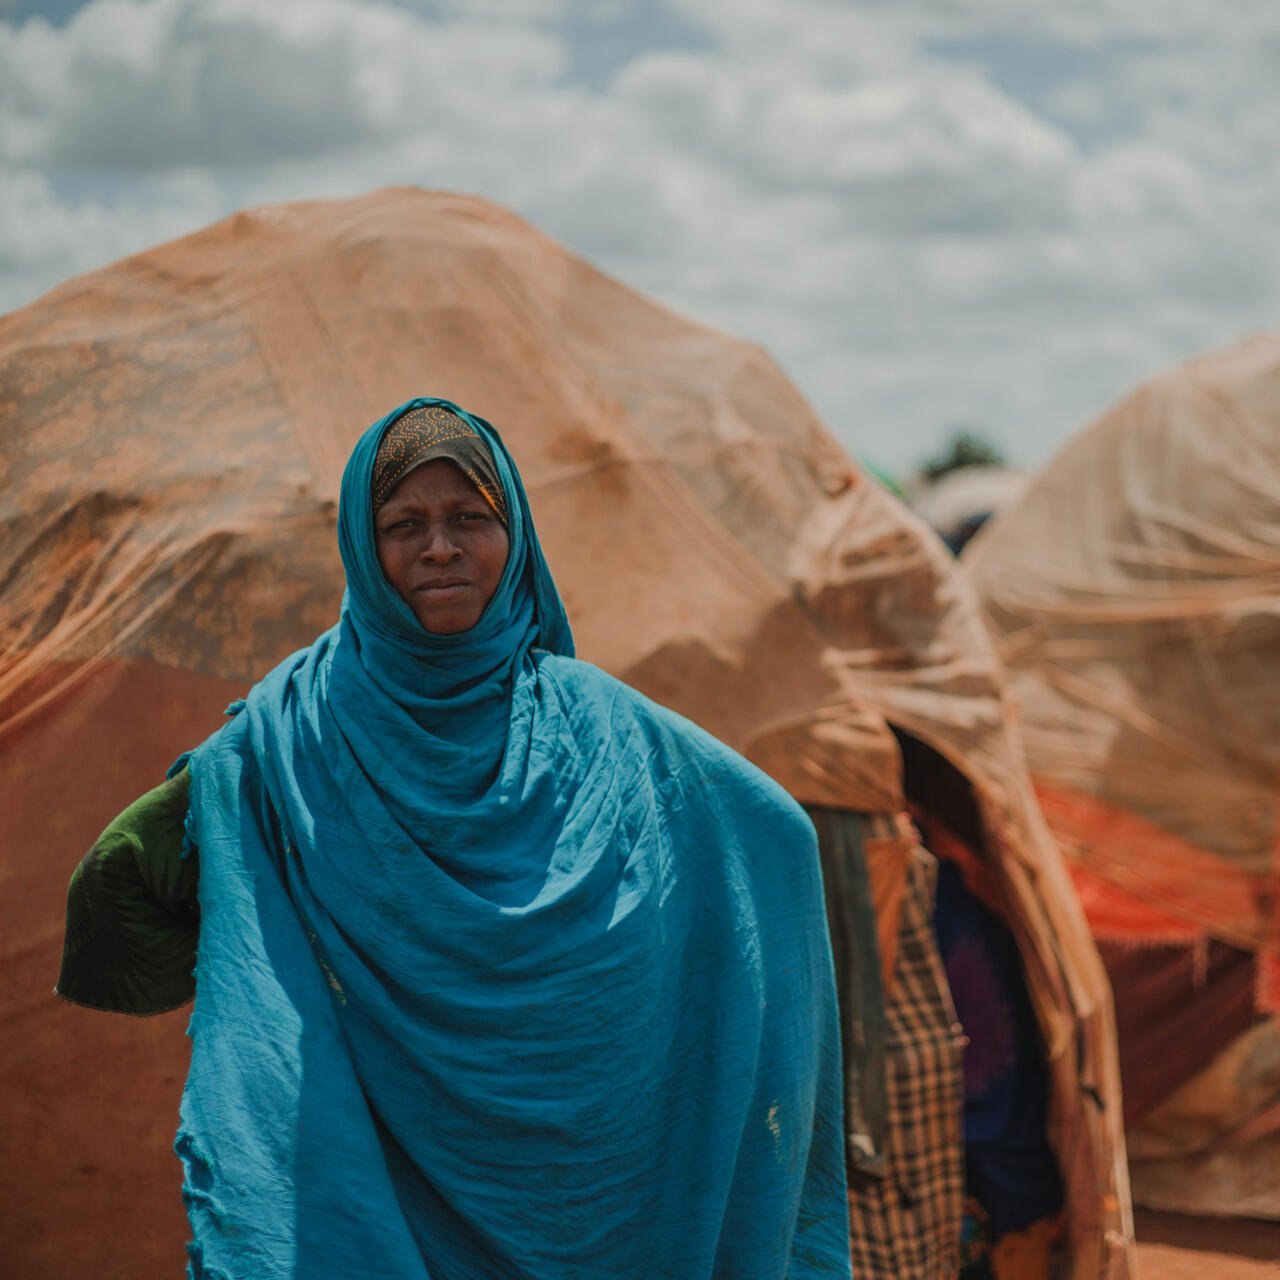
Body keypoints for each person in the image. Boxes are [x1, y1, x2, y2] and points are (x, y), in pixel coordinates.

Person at [58, 398, 852, 1279]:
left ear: (514, 536)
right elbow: (117, 882)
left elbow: (774, 833)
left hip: (600, 1187)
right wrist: (254, 950)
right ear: (364, 547)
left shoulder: (602, 727)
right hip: (384, 1177)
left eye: (470, 518)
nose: (439, 548)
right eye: (404, 525)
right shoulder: (291, 738)